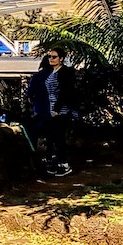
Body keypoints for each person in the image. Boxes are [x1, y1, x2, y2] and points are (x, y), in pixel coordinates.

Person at [27, 47, 76, 177]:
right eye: (49, 56)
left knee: (59, 137)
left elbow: (65, 92)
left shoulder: (65, 72)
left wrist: (57, 109)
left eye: (54, 57)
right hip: (51, 109)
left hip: (60, 110)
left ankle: (64, 164)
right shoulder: (51, 72)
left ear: (61, 58)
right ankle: (56, 162)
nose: (51, 59)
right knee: (53, 137)